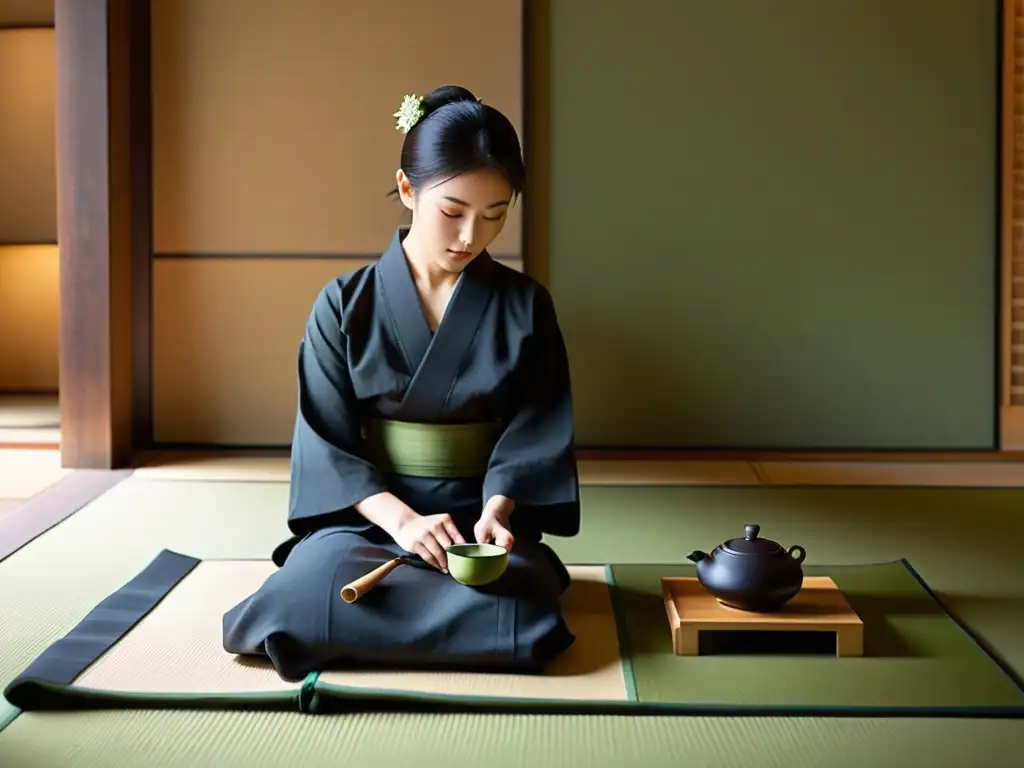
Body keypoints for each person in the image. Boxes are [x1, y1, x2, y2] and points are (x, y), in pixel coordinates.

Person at [222, 86, 581, 682]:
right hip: (369, 519)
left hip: (476, 525)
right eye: (453, 211)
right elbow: (326, 440)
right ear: (409, 189)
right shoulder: (343, 303)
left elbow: (536, 426)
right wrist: (404, 522)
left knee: (526, 614)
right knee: (297, 600)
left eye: (495, 215)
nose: (471, 236)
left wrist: (499, 508)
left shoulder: (526, 306)